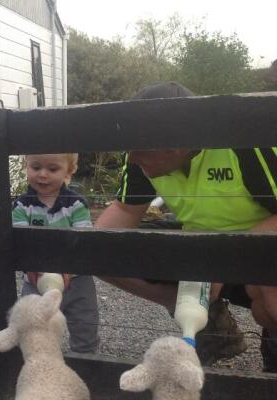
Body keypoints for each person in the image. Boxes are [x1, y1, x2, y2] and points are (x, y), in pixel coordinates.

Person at [95, 81, 277, 370]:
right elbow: (124, 210)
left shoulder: (244, 145)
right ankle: (208, 318)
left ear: (179, 142)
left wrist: (228, 256)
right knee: (102, 252)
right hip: (200, 254)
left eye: (141, 150)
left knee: (267, 292)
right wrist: (77, 250)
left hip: (257, 255)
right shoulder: (142, 160)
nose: (132, 157)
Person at [12, 153, 100, 353]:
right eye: (35, 167)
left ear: (69, 171)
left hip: (76, 280)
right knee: (34, 328)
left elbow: (81, 242)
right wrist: (34, 267)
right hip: (36, 279)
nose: (43, 174)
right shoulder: (21, 207)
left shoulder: (76, 205)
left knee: (84, 324)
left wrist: (68, 268)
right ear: (26, 167)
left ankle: (85, 366)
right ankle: (40, 367)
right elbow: (22, 244)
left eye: (52, 169)